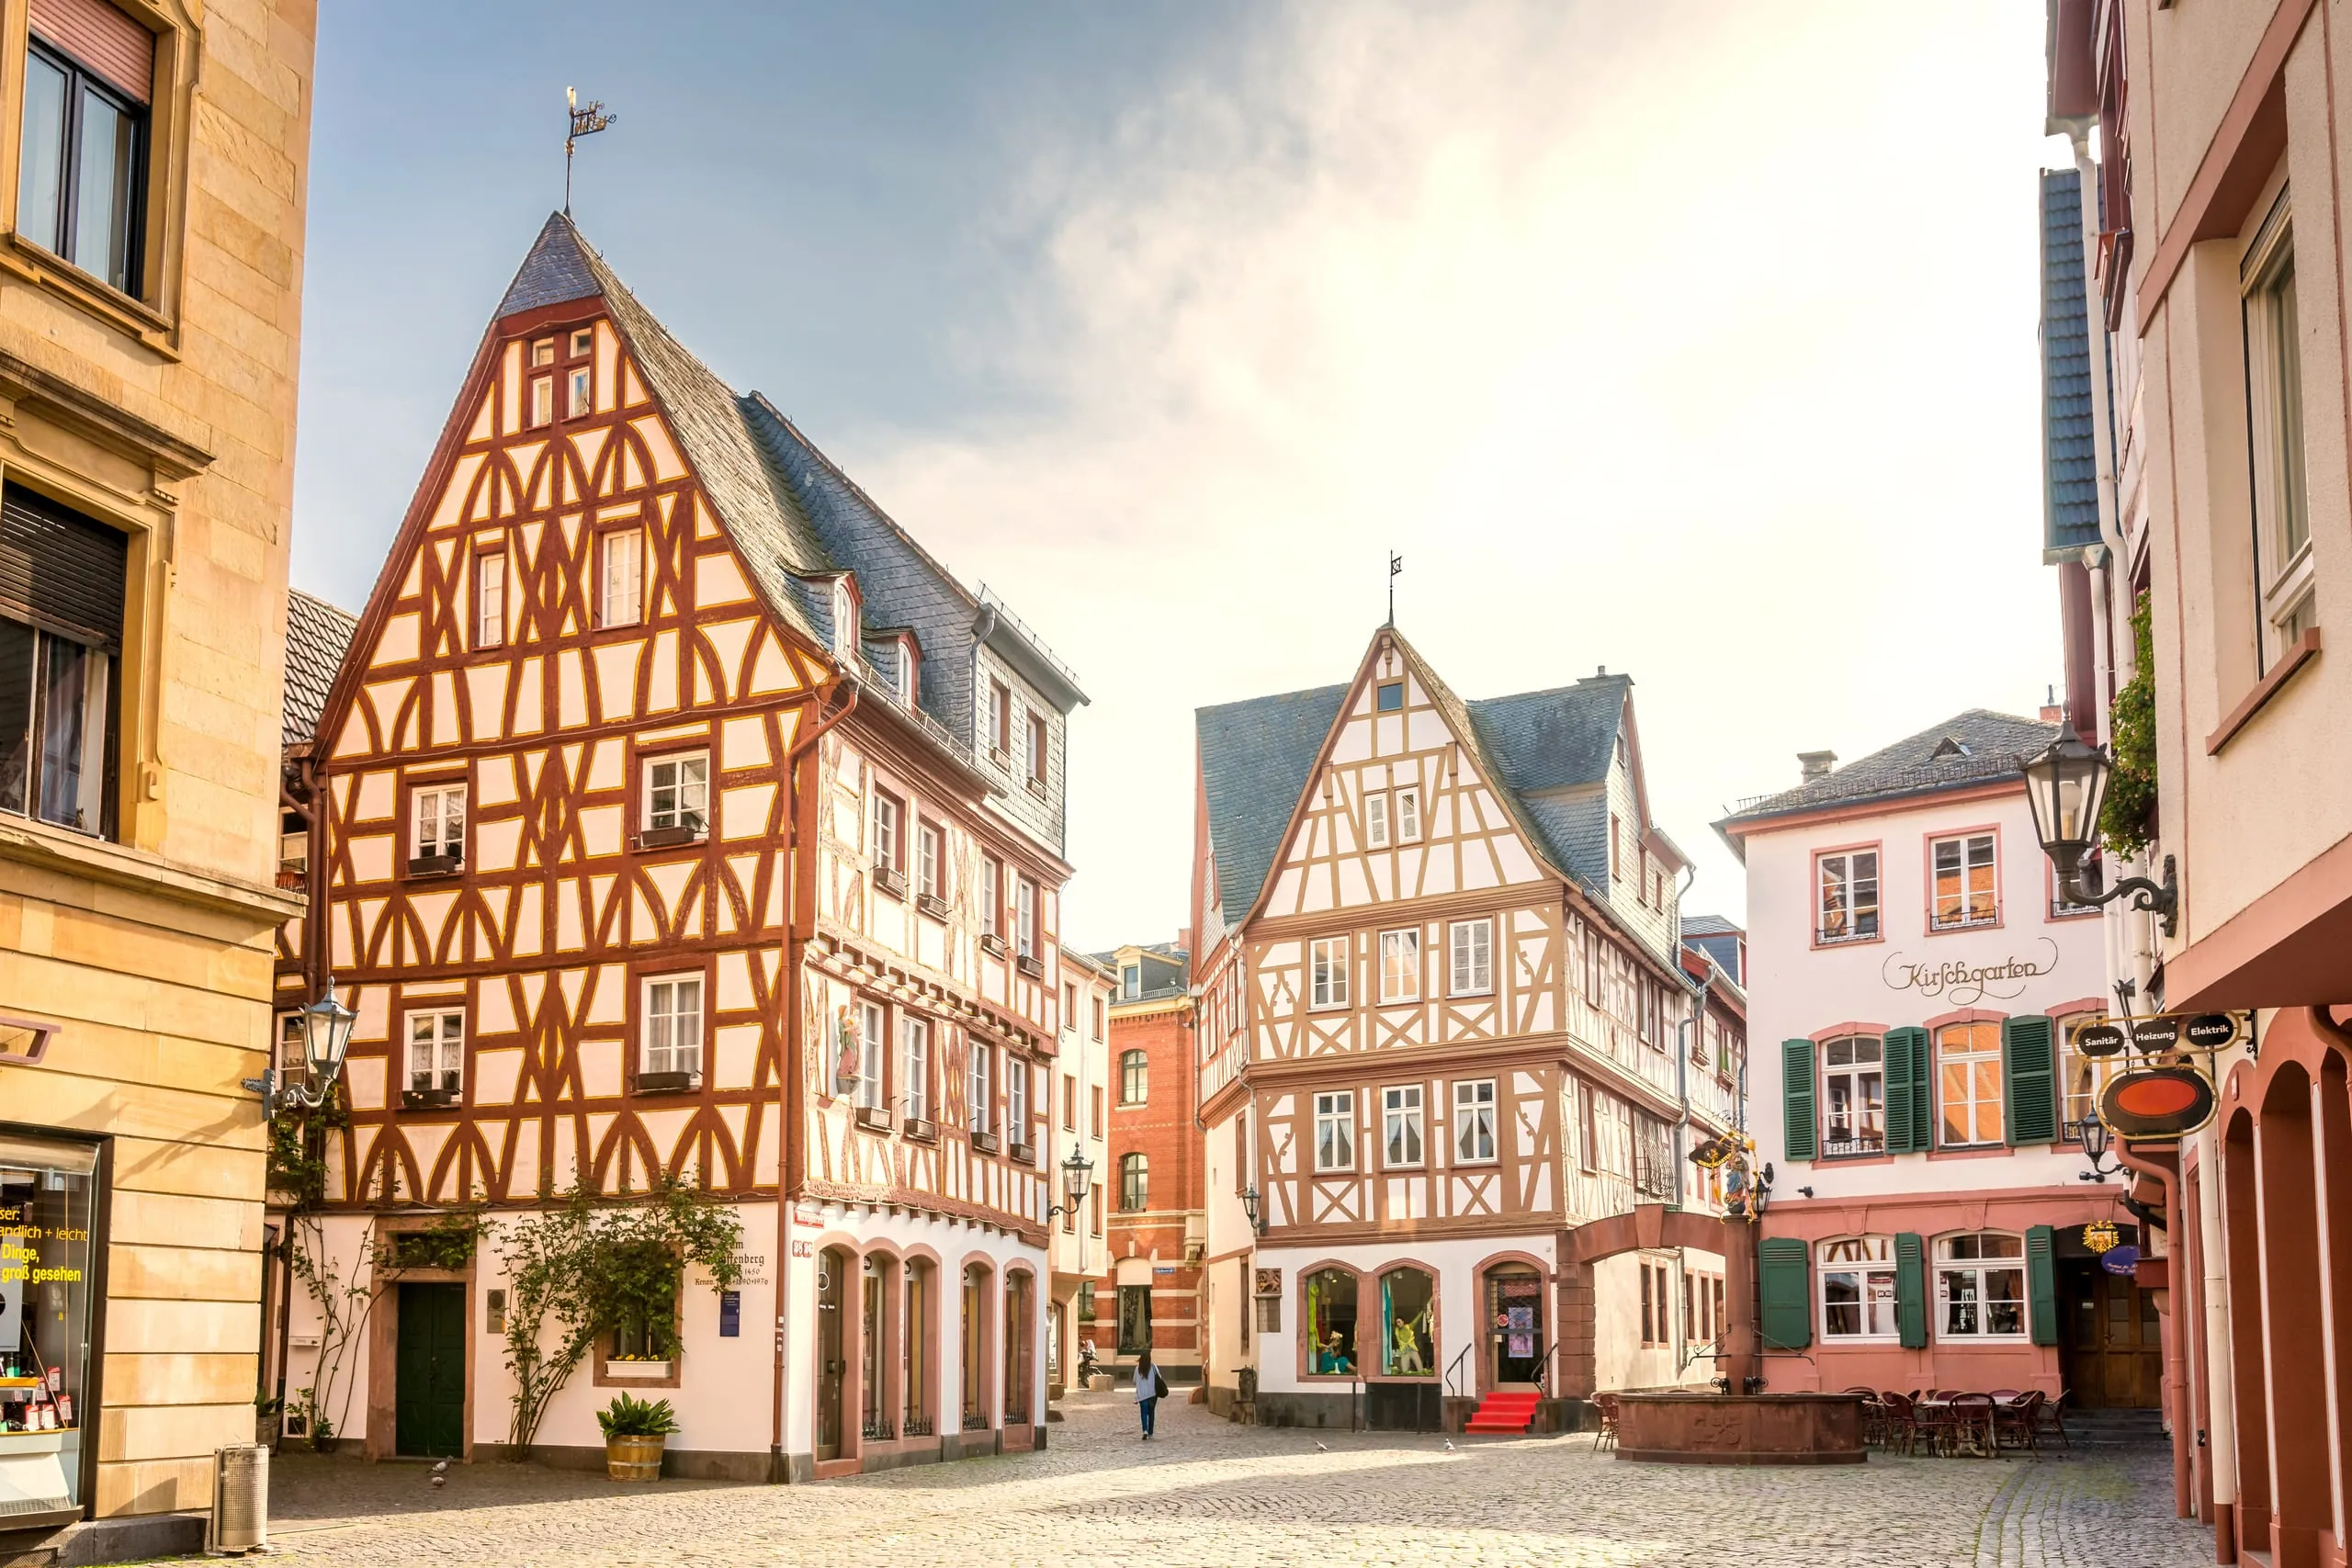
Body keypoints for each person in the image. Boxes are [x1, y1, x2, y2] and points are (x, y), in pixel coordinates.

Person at [1134, 1348, 1168, 1439]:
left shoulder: (1137, 1369)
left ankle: (1145, 1430)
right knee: (1151, 1413)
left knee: (1143, 1413)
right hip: (1153, 1394)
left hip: (1142, 1395)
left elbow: (1134, 1381)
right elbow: (1159, 1377)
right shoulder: (1153, 1367)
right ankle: (1151, 1433)